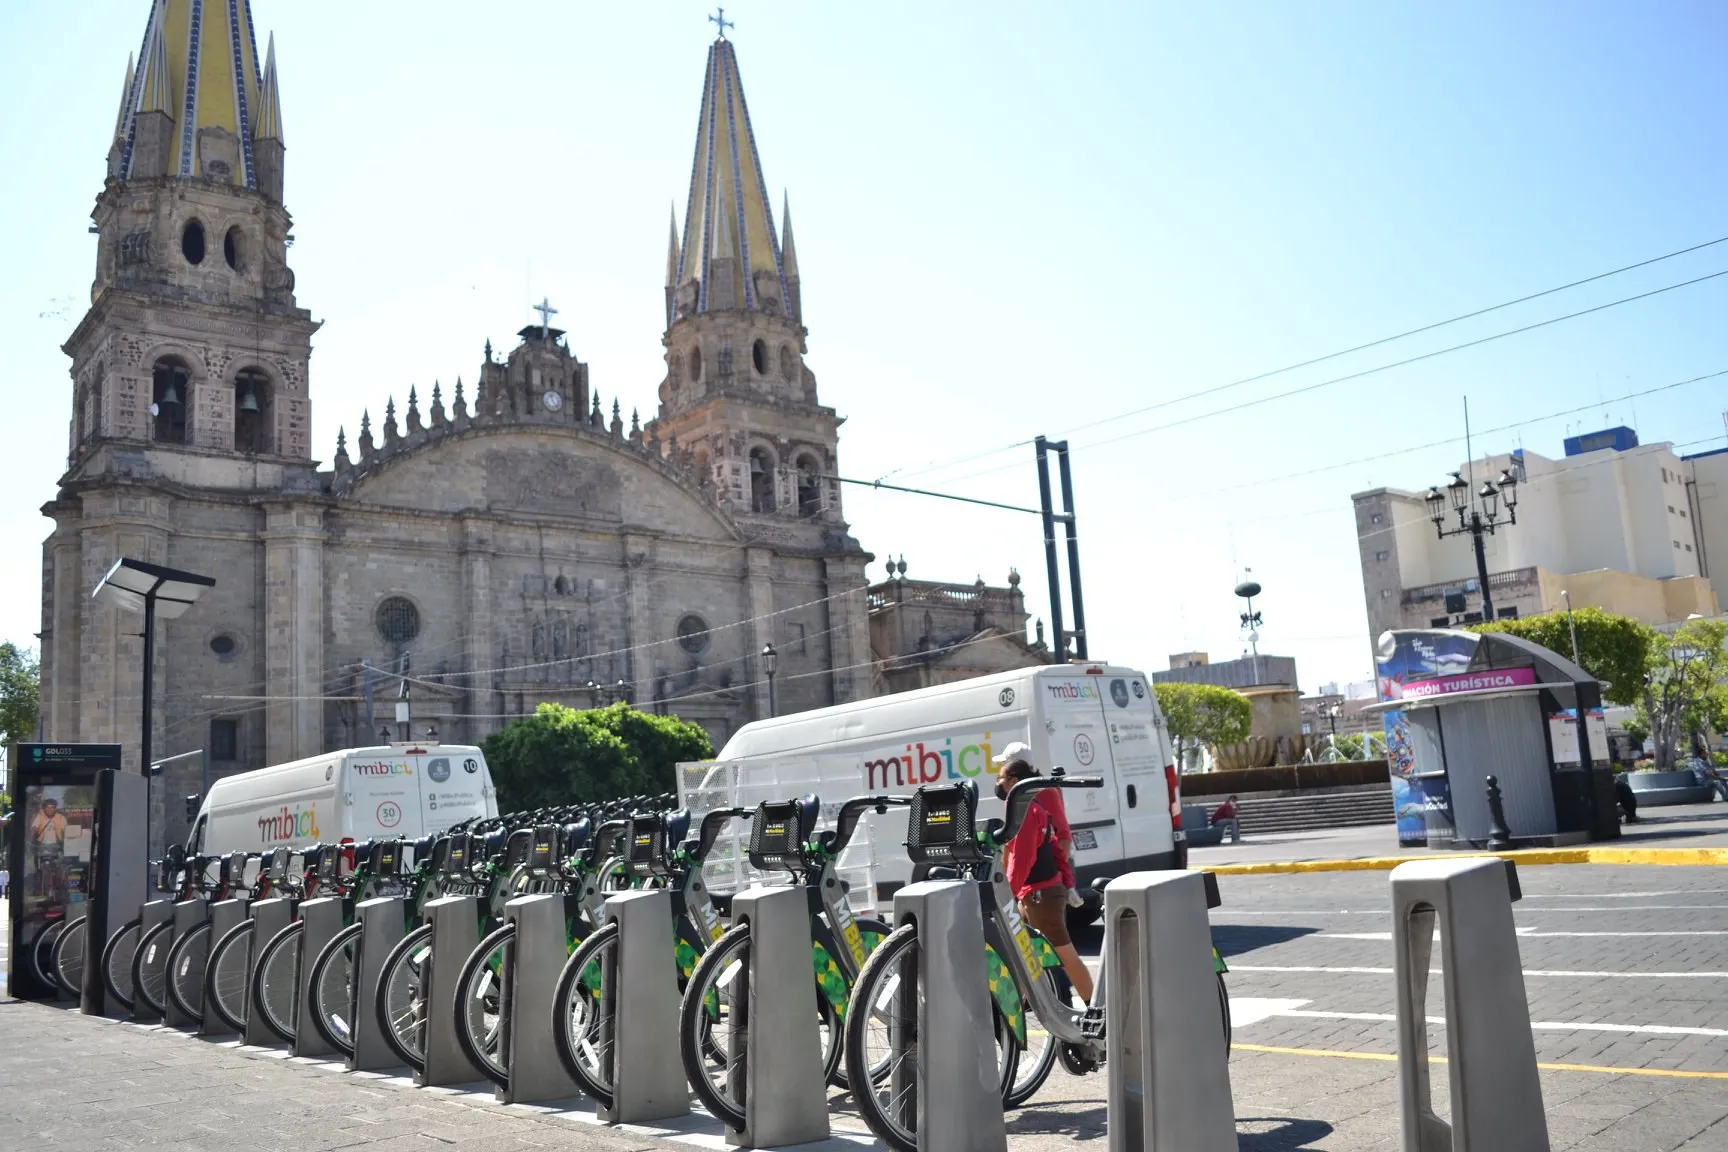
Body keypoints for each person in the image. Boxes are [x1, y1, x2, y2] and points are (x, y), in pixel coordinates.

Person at [995, 751, 1093, 1005]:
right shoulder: (1030, 805)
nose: (998, 784)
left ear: (1014, 780)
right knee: (1021, 951)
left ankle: (1096, 1007)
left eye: (1000, 778)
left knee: (1064, 956)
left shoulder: (1027, 809)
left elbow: (1023, 857)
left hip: (1040, 895)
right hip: (1036, 893)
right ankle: (1017, 1006)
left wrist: (1007, 891)